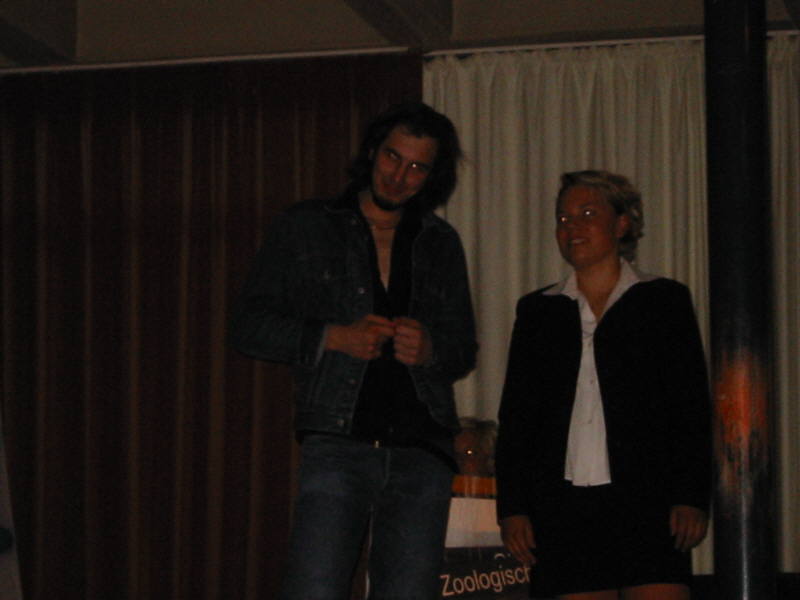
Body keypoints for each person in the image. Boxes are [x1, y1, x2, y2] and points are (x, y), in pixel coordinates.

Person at [229, 101, 477, 600]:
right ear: (372, 151)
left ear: (432, 176)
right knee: (313, 590)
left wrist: (430, 348)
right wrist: (333, 336)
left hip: (422, 449)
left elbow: (462, 349)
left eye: (417, 167)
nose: (399, 176)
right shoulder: (306, 225)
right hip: (337, 443)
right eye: (392, 157)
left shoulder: (440, 241)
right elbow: (247, 327)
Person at [495, 170, 711, 600]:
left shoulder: (663, 300)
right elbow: (518, 417)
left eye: (588, 214)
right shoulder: (537, 311)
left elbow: (689, 406)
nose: (572, 227)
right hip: (563, 508)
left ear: (622, 224)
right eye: (563, 218)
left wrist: (690, 496)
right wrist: (513, 507)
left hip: (648, 502)